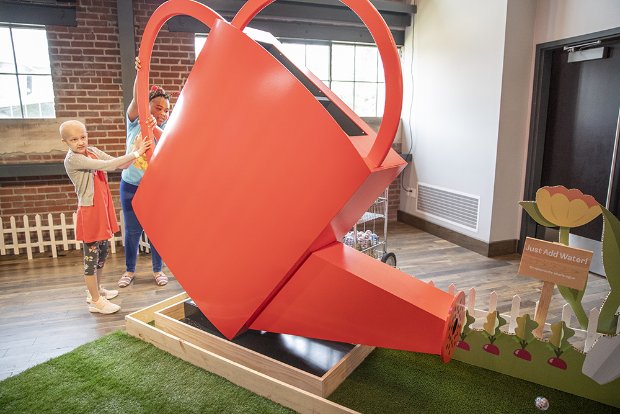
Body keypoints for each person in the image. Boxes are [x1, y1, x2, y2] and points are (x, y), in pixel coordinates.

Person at [61, 120, 152, 314]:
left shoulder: (91, 151)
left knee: (102, 253)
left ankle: (97, 290)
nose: (80, 142)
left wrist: (135, 151)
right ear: (65, 142)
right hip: (90, 211)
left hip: (101, 208)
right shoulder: (73, 159)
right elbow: (108, 165)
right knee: (91, 258)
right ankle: (95, 300)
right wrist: (136, 152)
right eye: (74, 139)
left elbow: (121, 164)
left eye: (83, 137)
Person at [117, 57, 171, 288]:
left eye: (166, 110)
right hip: (130, 185)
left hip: (155, 187)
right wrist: (140, 71)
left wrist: (156, 126)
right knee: (132, 232)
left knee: (157, 230)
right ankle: (129, 270)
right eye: (158, 108)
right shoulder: (135, 121)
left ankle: (158, 270)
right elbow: (135, 96)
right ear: (145, 105)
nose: (163, 113)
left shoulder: (166, 129)